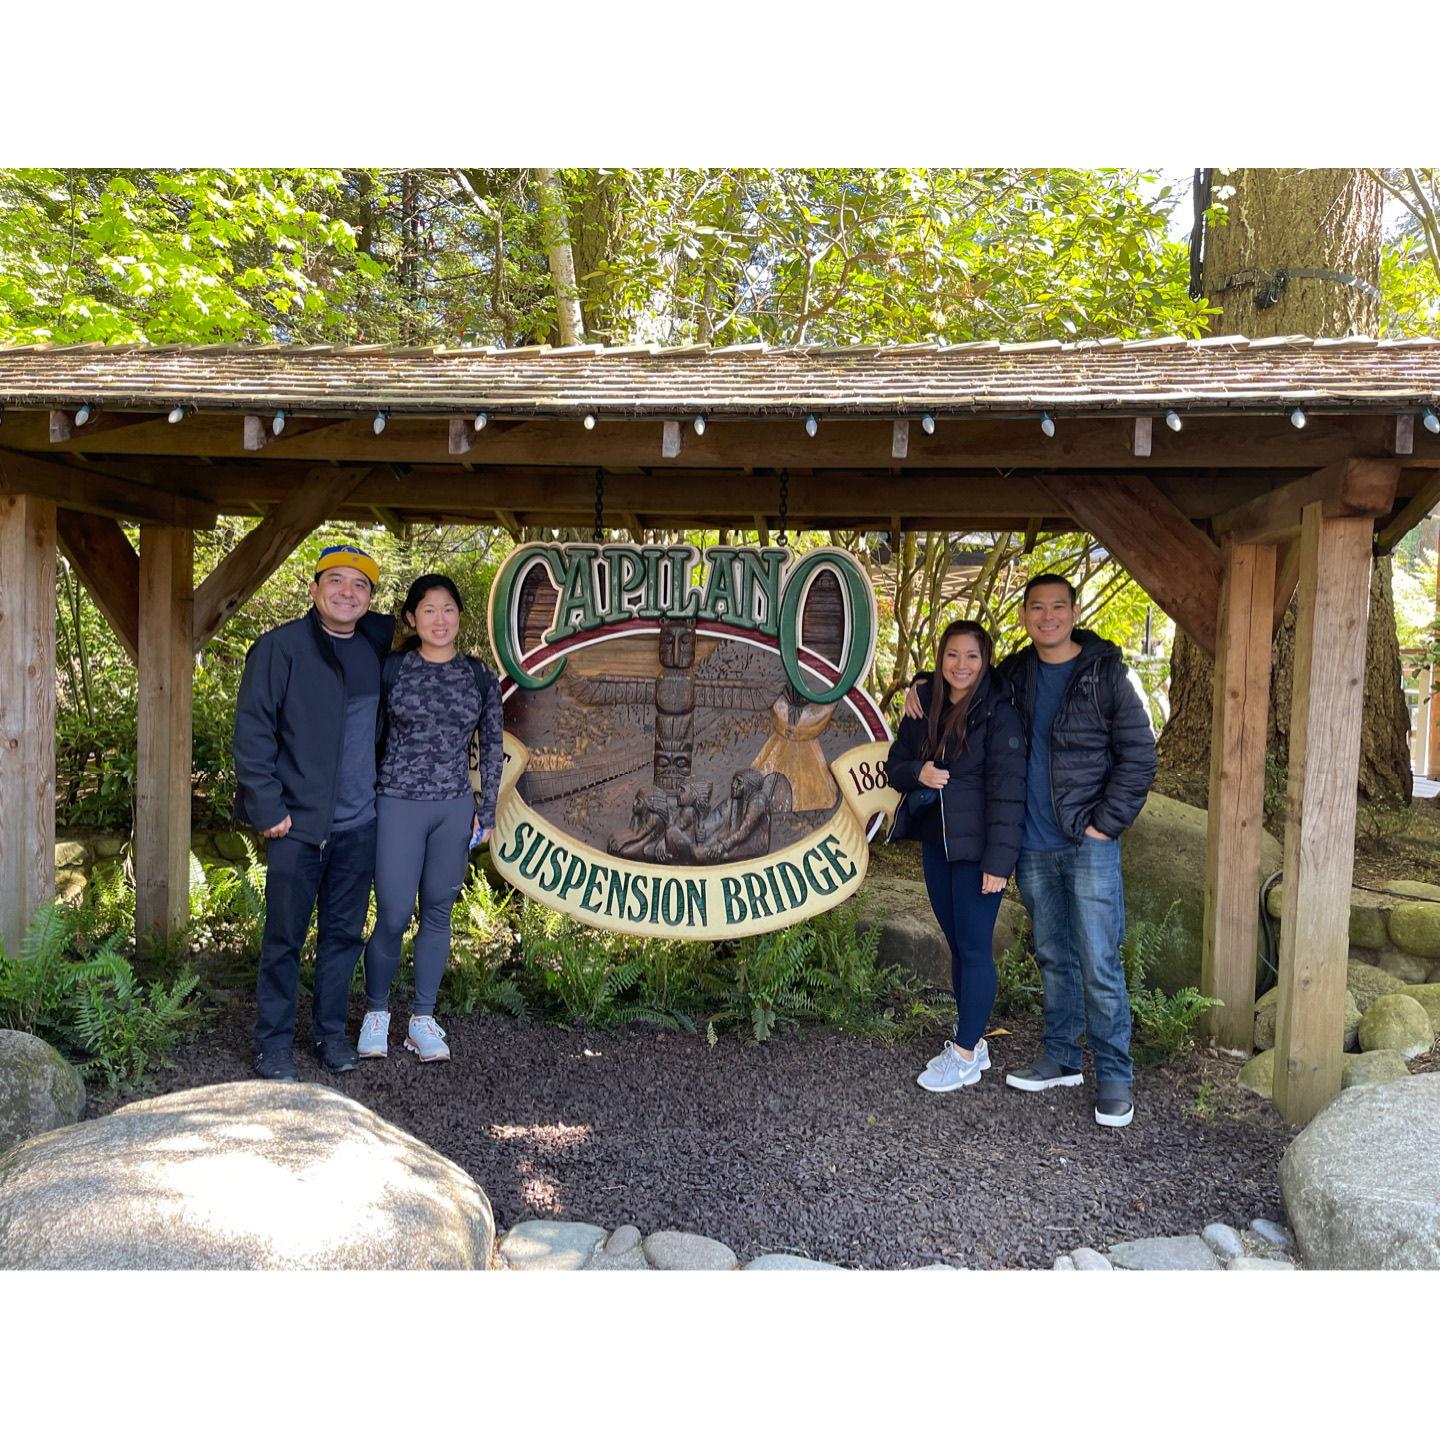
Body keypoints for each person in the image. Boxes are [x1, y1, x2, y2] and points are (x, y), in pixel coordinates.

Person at [905, 575, 1157, 1127]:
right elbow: (962, 678)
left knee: (1098, 958)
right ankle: (1062, 1056)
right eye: (1037, 608)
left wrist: (1103, 826)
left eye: (1058, 607)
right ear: (1024, 616)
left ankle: (1115, 1077)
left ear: (1073, 612)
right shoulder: (1015, 674)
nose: (1048, 617)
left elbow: (1140, 755)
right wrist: (922, 682)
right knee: (1052, 954)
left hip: (1087, 839)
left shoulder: (1105, 673)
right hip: (1034, 843)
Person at [233, 543, 394, 1081]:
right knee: (284, 937)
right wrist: (267, 807)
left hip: (358, 825)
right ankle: (273, 1043)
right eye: (337, 581)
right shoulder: (281, 648)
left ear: (370, 598)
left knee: (343, 935)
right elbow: (253, 731)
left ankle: (328, 1033)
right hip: (296, 824)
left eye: (360, 585)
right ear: (314, 588)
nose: (347, 592)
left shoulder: (374, 650)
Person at [358, 574, 504, 1063]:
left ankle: (422, 1019)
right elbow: (366, 735)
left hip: (453, 808)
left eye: (448, 609)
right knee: (395, 913)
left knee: (438, 914)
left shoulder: (479, 676)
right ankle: (376, 1014)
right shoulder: (393, 669)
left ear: (459, 616)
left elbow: (493, 745)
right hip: (396, 802)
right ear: (410, 619)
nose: (440, 620)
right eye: (428, 610)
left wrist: (487, 811)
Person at [888, 620, 1026, 1093]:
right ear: (940, 657)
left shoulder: (999, 715)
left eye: (971, 656)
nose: (960, 665)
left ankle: (966, 1053)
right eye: (952, 655)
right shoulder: (924, 702)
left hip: (978, 851)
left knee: (973, 946)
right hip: (936, 845)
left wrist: (998, 864)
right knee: (958, 942)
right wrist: (918, 772)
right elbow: (894, 767)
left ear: (985, 660)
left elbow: (1010, 795)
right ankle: (971, 1038)